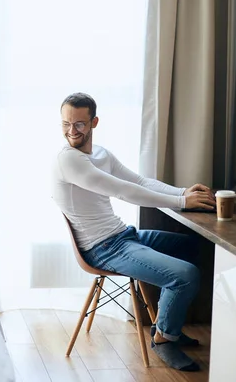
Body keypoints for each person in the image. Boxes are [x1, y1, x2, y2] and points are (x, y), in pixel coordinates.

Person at [52, 93, 216, 372]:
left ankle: (168, 323)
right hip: (103, 249)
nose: (71, 131)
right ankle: (164, 339)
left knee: (196, 246)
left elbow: (138, 181)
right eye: (66, 124)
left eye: (79, 124)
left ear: (94, 122)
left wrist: (182, 193)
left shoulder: (101, 154)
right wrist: (181, 202)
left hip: (124, 236)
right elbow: (123, 191)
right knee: (185, 275)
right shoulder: (69, 161)